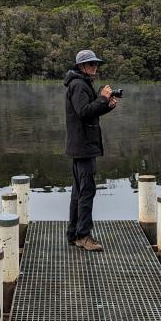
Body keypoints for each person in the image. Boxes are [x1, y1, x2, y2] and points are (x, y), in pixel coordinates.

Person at [64, 49, 118, 251]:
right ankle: (84, 236)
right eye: (90, 64)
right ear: (81, 67)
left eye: (95, 64)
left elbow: (89, 111)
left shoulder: (80, 83)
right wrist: (103, 99)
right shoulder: (78, 85)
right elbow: (84, 112)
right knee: (86, 191)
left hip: (82, 147)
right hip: (83, 147)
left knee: (79, 191)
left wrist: (107, 106)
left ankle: (74, 234)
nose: (94, 67)